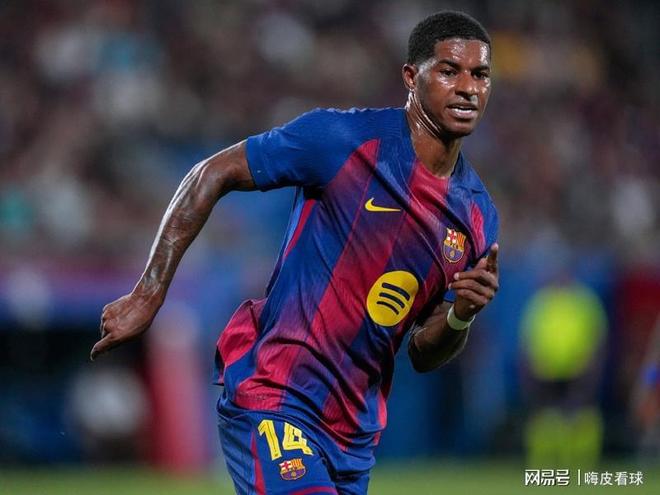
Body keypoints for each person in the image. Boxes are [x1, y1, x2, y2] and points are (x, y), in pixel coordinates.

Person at [91, 10, 500, 495]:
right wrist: (150, 293)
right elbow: (210, 173)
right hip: (274, 396)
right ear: (412, 77)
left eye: (480, 75)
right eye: (450, 71)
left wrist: (460, 316)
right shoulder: (343, 141)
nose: (467, 88)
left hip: (353, 434)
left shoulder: (477, 217)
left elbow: (423, 353)